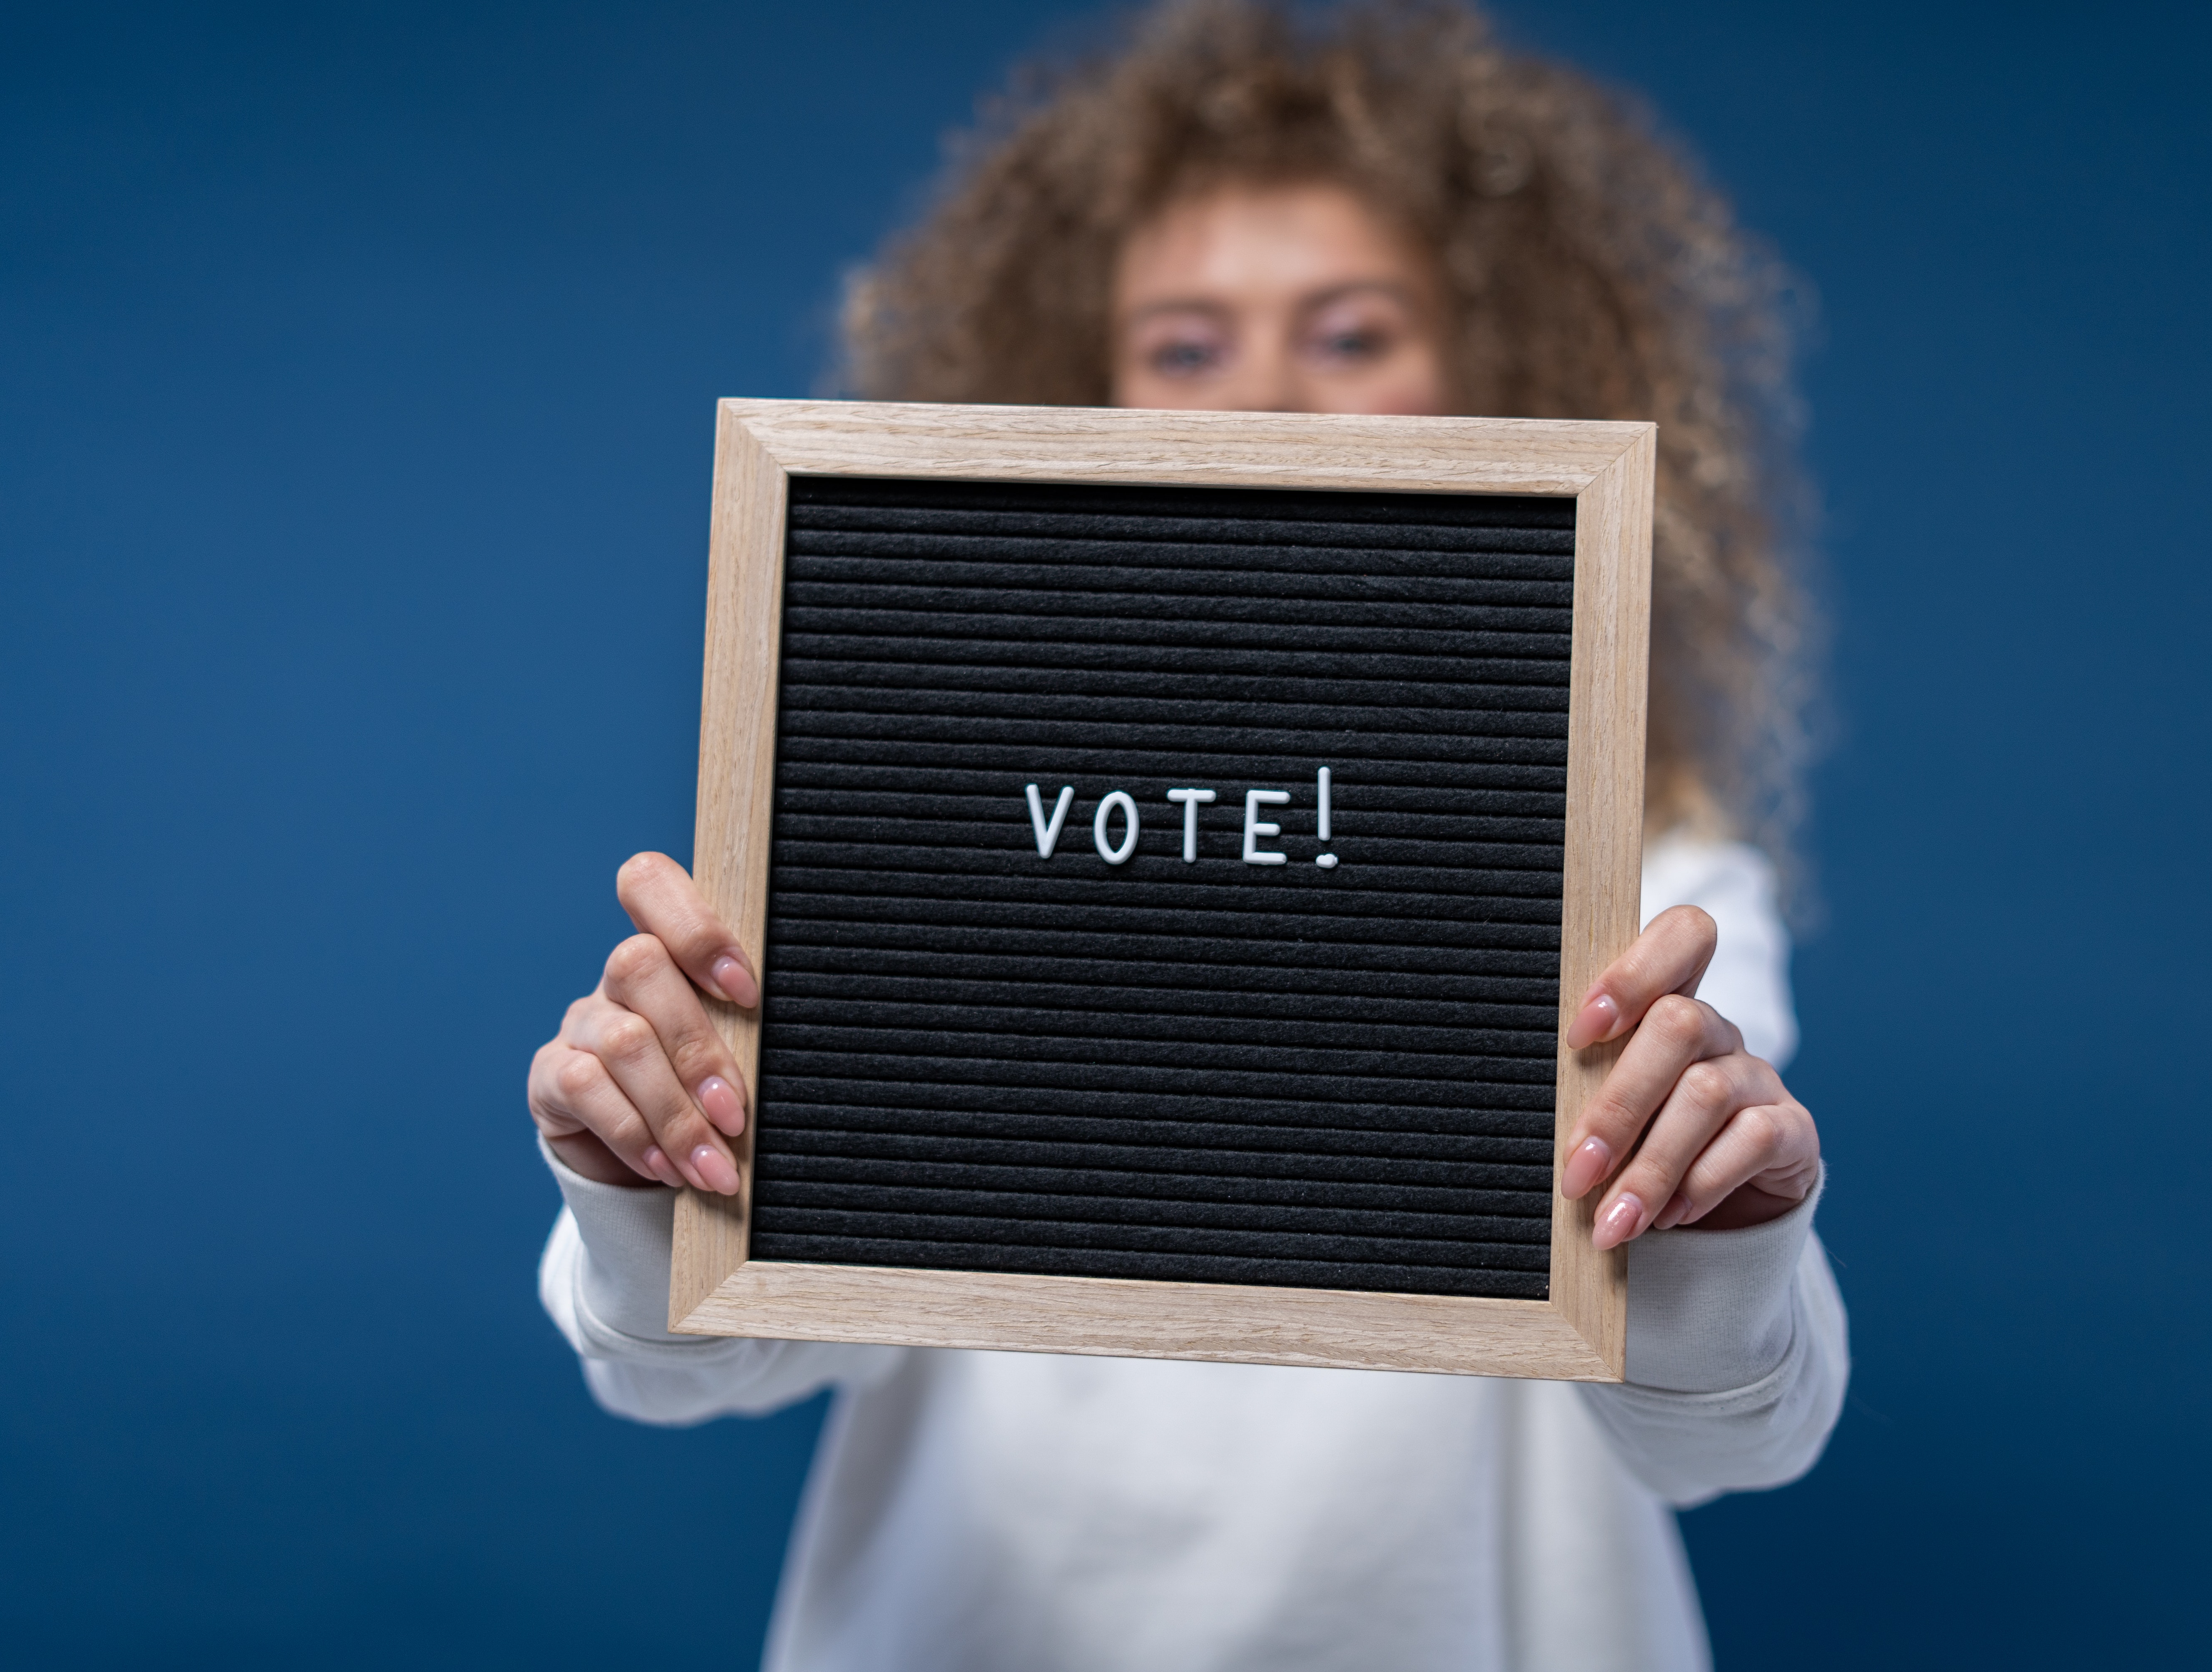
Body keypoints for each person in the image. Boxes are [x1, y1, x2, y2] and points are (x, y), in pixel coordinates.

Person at [527, 3, 1845, 1666]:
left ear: (1494, 370)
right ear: (1085, 386)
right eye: (1188, 345)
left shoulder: (1656, 883)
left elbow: (1730, 1435)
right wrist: (653, 1170)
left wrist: (1723, 1236)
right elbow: (688, 1363)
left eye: (1355, 334)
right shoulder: (916, 810)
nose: (1275, 399)